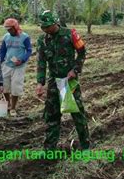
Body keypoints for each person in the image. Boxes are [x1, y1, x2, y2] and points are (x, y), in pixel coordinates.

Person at [35, 10, 90, 150]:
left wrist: (75, 69)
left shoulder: (70, 34)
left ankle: (85, 146)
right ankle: (49, 149)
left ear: (55, 23)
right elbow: (41, 63)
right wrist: (40, 83)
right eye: (43, 27)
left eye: (47, 26)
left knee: (77, 113)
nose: (45, 29)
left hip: (69, 80)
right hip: (54, 81)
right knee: (52, 115)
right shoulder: (42, 40)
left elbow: (82, 52)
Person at [0, 18, 32, 116]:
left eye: (10, 29)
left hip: (18, 67)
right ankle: (8, 104)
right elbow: (2, 51)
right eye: (7, 29)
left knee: (15, 88)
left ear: (16, 27)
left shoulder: (24, 37)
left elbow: (29, 50)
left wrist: (22, 60)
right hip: (7, 65)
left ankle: (13, 107)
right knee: (4, 86)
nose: (9, 31)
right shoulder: (6, 37)